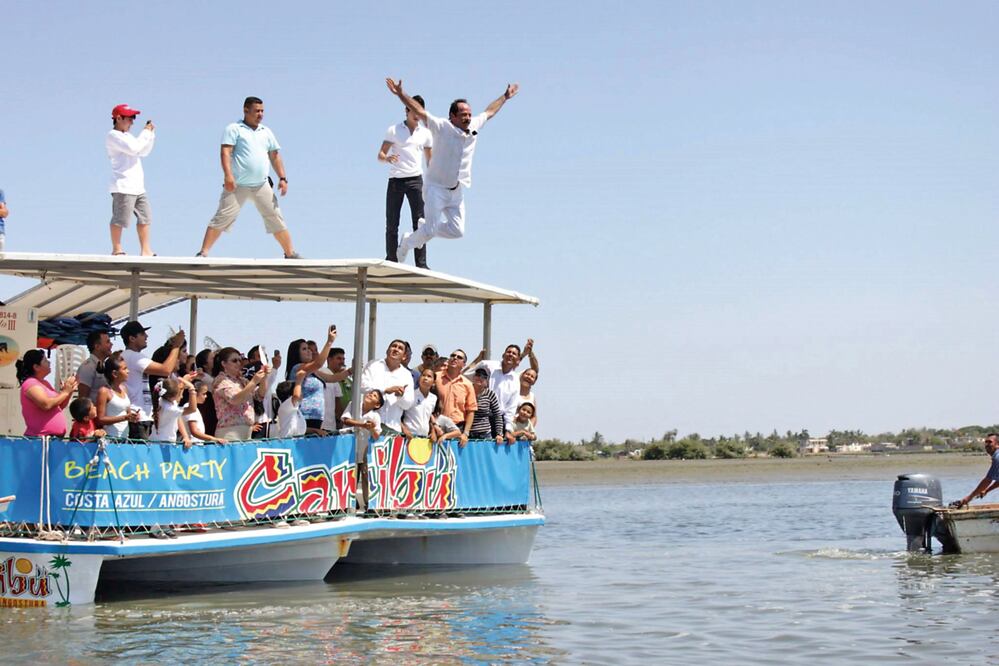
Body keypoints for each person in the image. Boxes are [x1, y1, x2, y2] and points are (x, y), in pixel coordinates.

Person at [385, 78, 519, 262]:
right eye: (463, 114)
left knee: (457, 231)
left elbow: (489, 112)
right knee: (429, 231)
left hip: (456, 190)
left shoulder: (473, 127)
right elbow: (420, 111)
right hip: (435, 189)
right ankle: (407, 242)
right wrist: (401, 93)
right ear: (453, 116)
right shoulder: (441, 127)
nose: (468, 117)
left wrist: (505, 97)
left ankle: (423, 228)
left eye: (469, 114)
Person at [197, 96, 300, 259]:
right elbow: (225, 152)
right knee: (223, 216)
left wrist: (282, 178)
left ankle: (290, 253)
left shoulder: (266, 132)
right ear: (246, 110)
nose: (260, 114)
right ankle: (203, 253)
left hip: (261, 184)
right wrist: (228, 176)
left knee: (275, 217)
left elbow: (275, 156)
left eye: (262, 111)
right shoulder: (234, 128)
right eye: (257, 111)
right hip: (237, 185)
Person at [378, 94, 432, 268]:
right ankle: (391, 259)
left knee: (421, 223)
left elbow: (430, 161)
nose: (416, 114)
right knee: (392, 222)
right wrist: (387, 158)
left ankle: (421, 264)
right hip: (396, 181)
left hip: (416, 180)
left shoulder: (426, 134)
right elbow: (380, 154)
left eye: (419, 111)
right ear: (407, 110)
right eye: (413, 110)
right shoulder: (393, 130)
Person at [120, 321, 185, 440]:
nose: (146, 336)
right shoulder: (133, 356)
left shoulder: (129, 356)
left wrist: (172, 344)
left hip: (139, 416)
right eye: (142, 333)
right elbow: (166, 370)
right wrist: (176, 346)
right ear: (132, 338)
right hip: (138, 417)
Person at [106, 103, 156, 256]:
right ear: (119, 118)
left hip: (137, 186)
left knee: (145, 217)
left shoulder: (128, 136)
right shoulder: (113, 136)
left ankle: (146, 250)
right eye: (130, 118)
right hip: (123, 185)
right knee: (120, 218)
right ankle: (117, 249)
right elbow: (135, 148)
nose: (132, 122)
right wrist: (145, 133)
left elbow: (143, 151)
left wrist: (150, 135)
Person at [468, 339, 538, 439]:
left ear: (518, 359)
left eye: (514, 354)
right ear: (503, 354)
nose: (510, 354)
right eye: (508, 352)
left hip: (499, 421)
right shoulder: (488, 365)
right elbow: (467, 376)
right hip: (478, 415)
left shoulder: (515, 380)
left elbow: (511, 408)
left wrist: (508, 430)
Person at [286, 326, 337, 434]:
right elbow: (318, 363)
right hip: (305, 416)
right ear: (296, 353)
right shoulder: (298, 367)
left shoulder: (313, 371)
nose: (309, 351)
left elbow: (332, 378)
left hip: (316, 418)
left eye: (308, 348)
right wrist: (329, 342)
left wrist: (351, 370)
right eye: (304, 349)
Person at [16, 349, 77, 437]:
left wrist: (69, 391)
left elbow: (59, 406)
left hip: (53, 440)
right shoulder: (30, 383)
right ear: (36, 367)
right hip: (40, 440)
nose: (49, 362)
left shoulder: (45, 383)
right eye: (45, 360)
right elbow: (46, 404)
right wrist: (65, 392)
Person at [213, 346, 270, 441]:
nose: (239, 363)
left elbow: (259, 396)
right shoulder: (220, 381)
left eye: (240, 360)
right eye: (234, 360)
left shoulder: (242, 381)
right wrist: (253, 382)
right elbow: (234, 399)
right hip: (229, 431)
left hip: (247, 429)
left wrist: (264, 377)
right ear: (223, 363)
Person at [359, 339, 415, 434]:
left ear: (404, 356)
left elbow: (408, 404)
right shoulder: (374, 365)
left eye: (400, 348)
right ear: (387, 350)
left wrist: (400, 396)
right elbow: (362, 386)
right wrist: (385, 390)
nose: (396, 349)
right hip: (369, 426)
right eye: (393, 346)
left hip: (392, 429)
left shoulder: (406, 375)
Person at [341, 389, 384, 511]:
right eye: (370, 393)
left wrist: (371, 429)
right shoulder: (353, 405)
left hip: (365, 450)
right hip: (350, 448)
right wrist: (362, 425)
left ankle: (368, 504)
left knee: (366, 477)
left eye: (374, 395)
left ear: (377, 404)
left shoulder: (375, 416)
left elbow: (376, 436)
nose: (370, 394)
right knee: (350, 474)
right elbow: (345, 420)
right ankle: (348, 502)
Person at [435, 348, 477, 447]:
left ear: (464, 364)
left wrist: (465, 433)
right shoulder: (435, 377)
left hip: (457, 429)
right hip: (436, 427)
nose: (455, 358)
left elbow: (471, 410)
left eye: (459, 357)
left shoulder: (468, 384)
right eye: (453, 356)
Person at [95, 351, 139, 439]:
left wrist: (133, 416)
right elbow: (101, 419)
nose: (128, 371)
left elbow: (127, 413)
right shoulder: (104, 391)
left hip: (125, 438)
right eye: (124, 369)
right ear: (115, 374)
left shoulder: (124, 389)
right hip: (110, 438)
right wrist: (124, 417)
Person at [954, 434, 999, 508]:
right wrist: (986, 490)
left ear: (998, 444)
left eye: (990, 442)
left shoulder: (997, 457)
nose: (987, 444)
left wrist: (969, 497)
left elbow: (987, 480)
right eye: (986, 442)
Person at [151, 377, 194, 449]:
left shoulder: (162, 400)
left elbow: (178, 418)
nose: (182, 396)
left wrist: (185, 436)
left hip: (156, 441)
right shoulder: (170, 409)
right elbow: (192, 409)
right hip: (163, 444)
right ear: (174, 395)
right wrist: (192, 388)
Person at [468, 367, 505, 444]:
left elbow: (497, 415)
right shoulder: (466, 390)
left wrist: (499, 434)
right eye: (478, 375)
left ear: (487, 381)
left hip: (485, 434)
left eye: (484, 377)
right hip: (467, 434)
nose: (480, 378)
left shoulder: (490, 394)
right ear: (474, 377)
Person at [320, 347, 353, 432]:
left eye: (343, 359)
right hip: (328, 424)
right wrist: (340, 420)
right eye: (338, 358)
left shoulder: (348, 380)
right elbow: (337, 404)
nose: (342, 361)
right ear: (329, 359)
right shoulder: (324, 374)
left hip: (346, 424)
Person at [185, 380, 228, 444]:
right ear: (195, 393)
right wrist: (213, 439)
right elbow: (194, 431)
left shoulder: (195, 409)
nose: (206, 396)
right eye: (204, 394)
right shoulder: (189, 407)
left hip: (197, 445)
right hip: (193, 446)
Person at [402, 368, 439, 441]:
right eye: (423, 375)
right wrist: (404, 430)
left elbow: (429, 417)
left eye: (429, 376)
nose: (425, 378)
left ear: (434, 382)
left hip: (424, 438)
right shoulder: (410, 395)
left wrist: (433, 431)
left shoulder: (434, 398)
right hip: (409, 436)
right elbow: (398, 414)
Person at [76, 330, 113, 399]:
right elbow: (83, 398)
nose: (111, 344)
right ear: (97, 347)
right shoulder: (87, 368)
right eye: (108, 342)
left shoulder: (105, 366)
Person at [275, 368, 308, 438]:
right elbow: (296, 396)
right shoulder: (285, 407)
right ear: (290, 395)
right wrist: (299, 380)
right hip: (287, 442)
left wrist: (315, 430)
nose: (301, 392)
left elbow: (298, 428)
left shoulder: (296, 408)